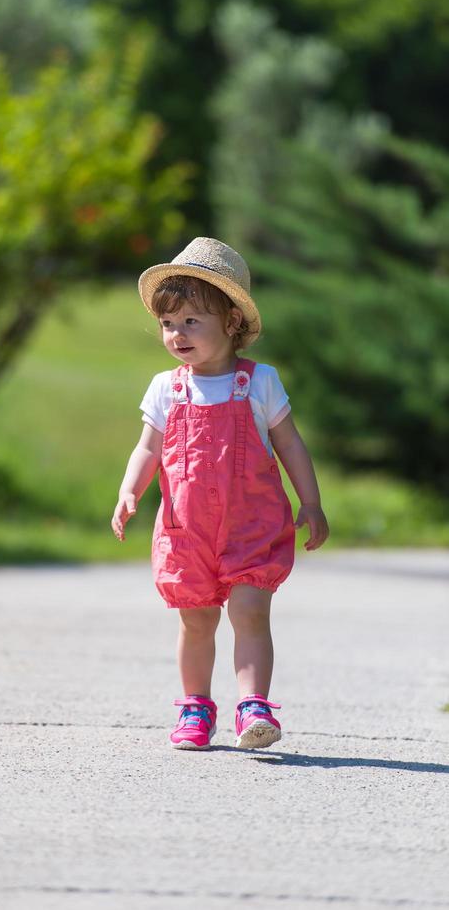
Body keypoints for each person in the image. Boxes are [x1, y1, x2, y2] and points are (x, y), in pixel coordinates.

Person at [111, 237, 329, 751]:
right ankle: (195, 707)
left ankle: (254, 706)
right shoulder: (166, 388)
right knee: (197, 618)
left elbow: (290, 445)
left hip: (251, 524)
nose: (176, 334)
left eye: (192, 321)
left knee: (250, 610)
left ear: (231, 322)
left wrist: (312, 502)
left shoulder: (259, 383)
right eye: (169, 323)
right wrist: (128, 490)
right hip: (189, 531)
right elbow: (148, 449)